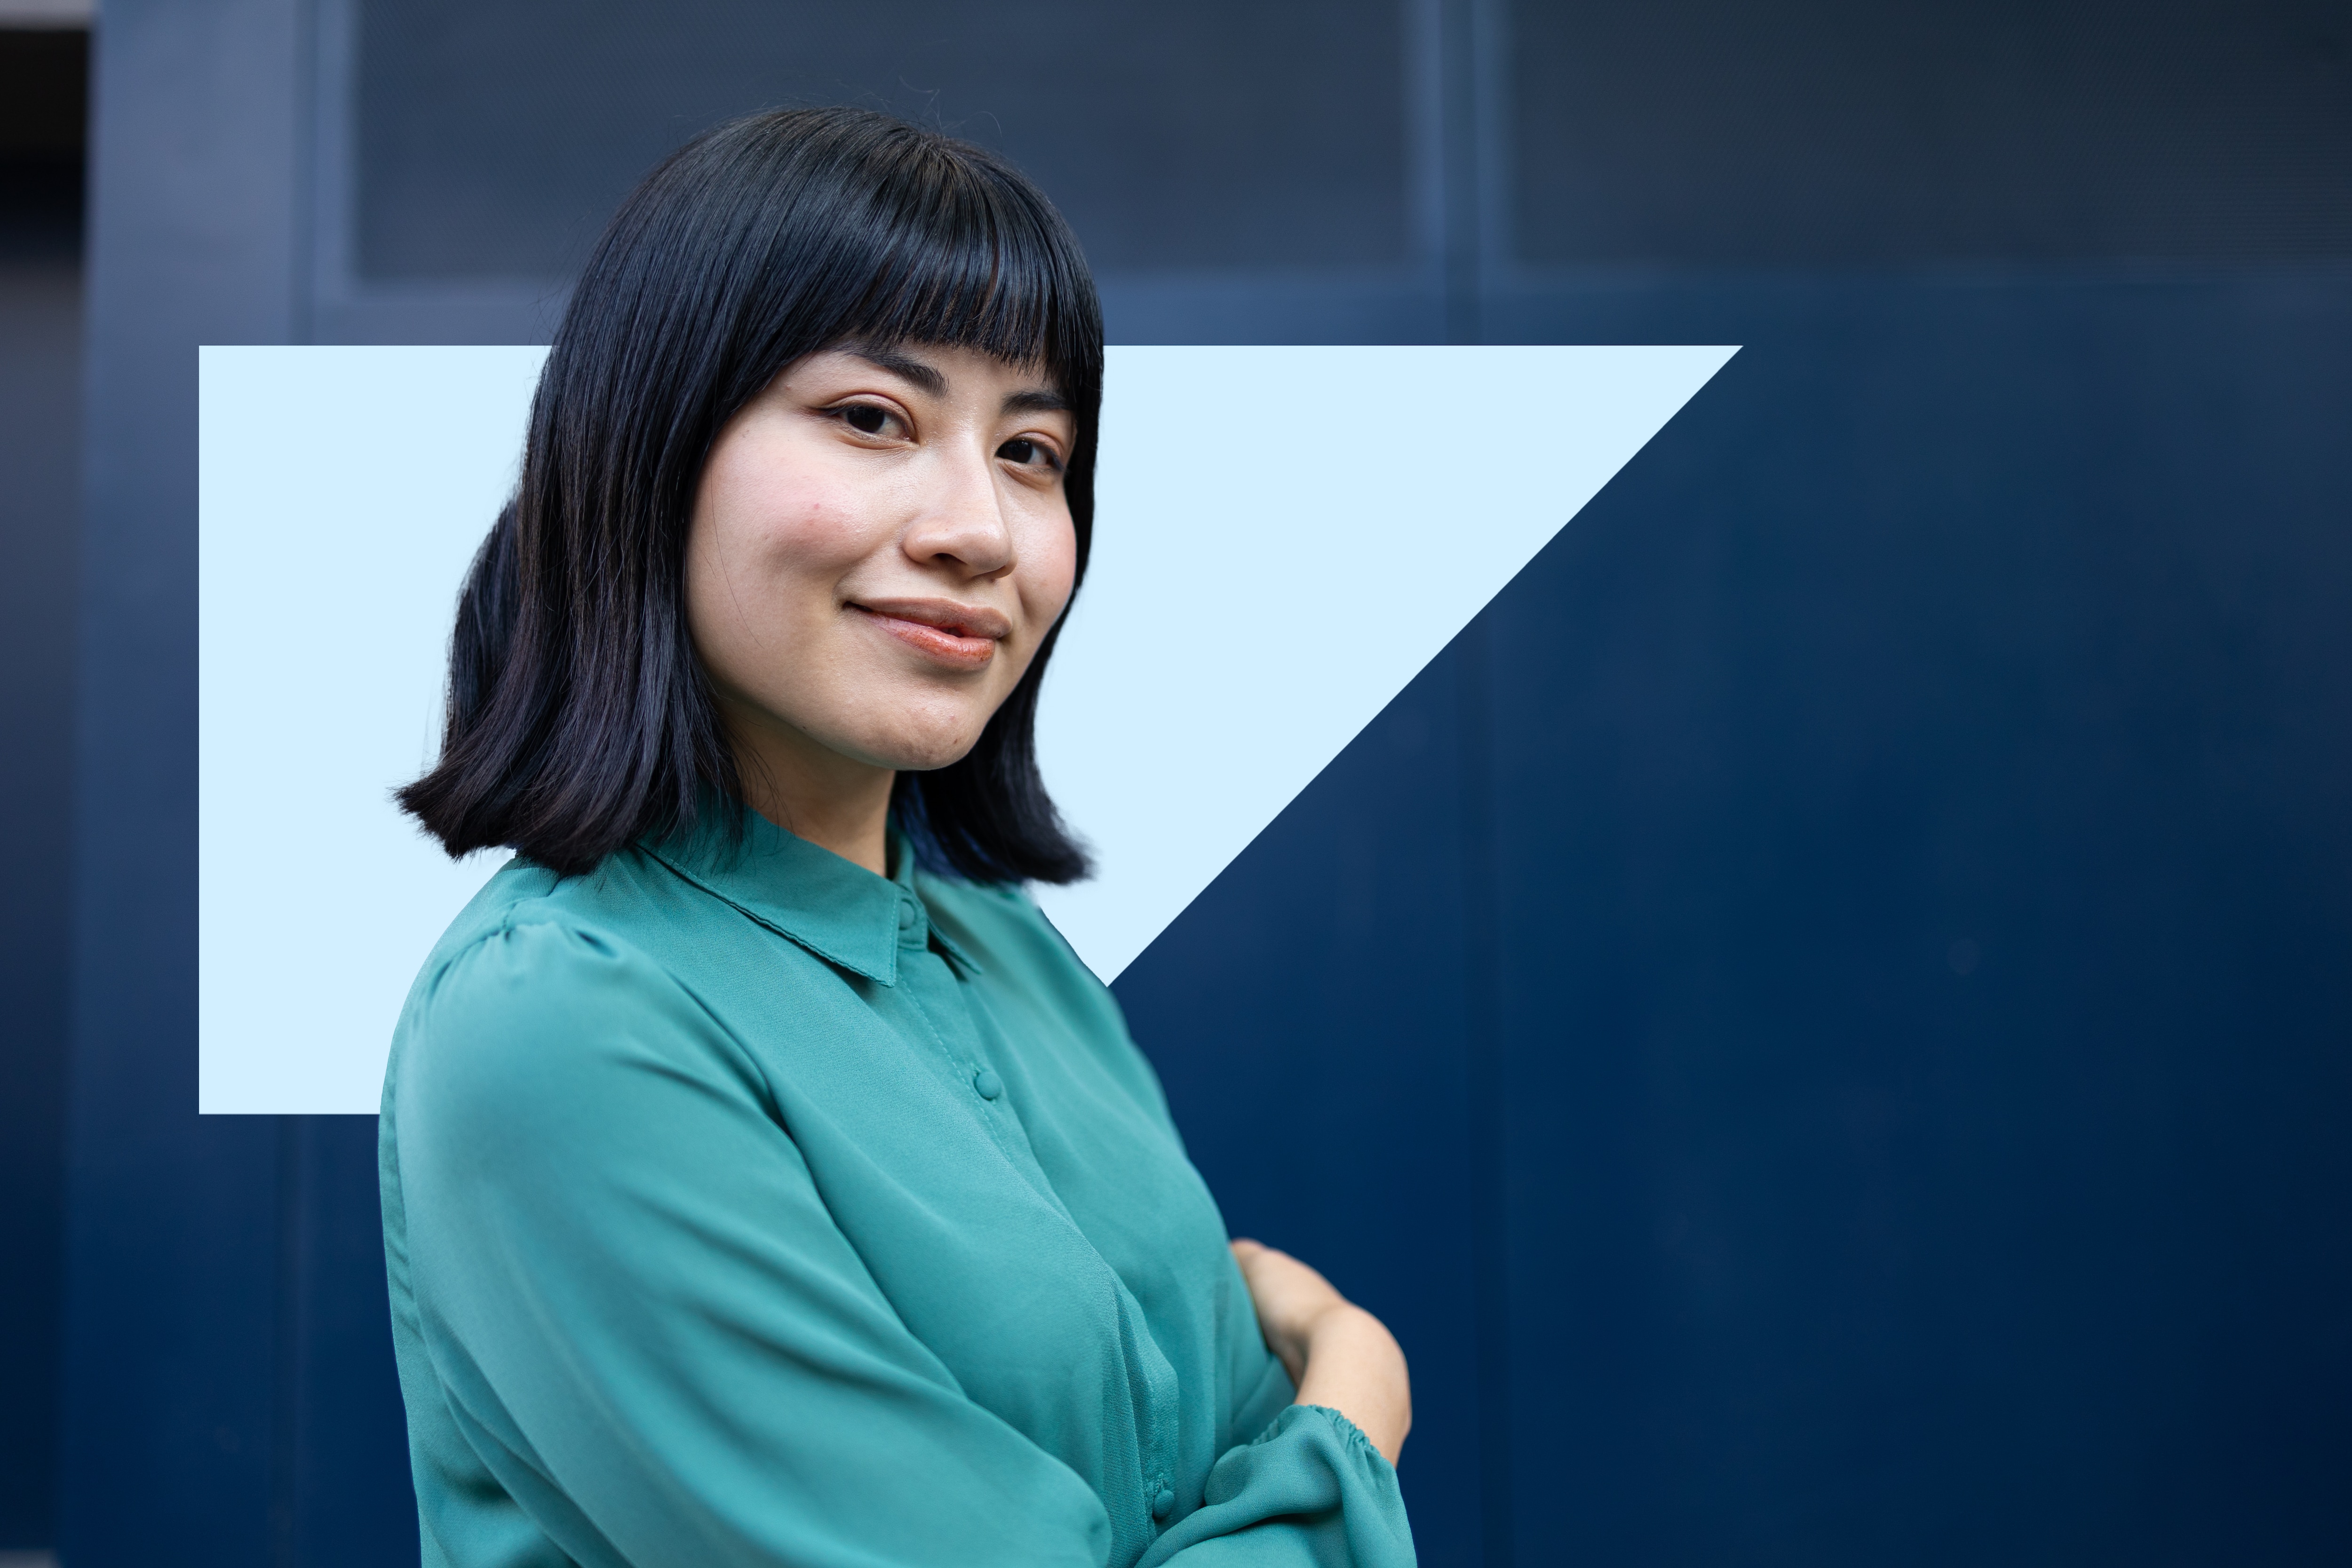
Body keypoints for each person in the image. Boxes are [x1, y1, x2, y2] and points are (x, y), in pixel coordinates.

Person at [381, 106, 1414, 1568]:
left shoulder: (1008, 955)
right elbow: (1267, 1415)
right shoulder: (562, 1018)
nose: (980, 528)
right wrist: (1357, 1412)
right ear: (652, 446)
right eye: (875, 419)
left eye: (1036, 450)